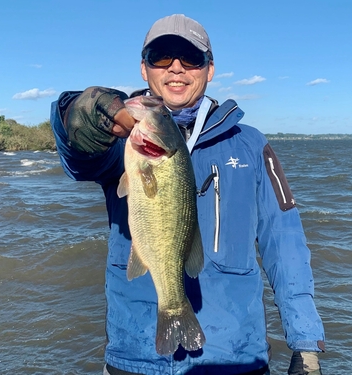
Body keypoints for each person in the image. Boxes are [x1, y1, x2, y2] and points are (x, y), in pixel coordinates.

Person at [51, 14, 325, 375]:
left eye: (191, 58)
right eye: (161, 56)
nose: (176, 68)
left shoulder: (250, 145)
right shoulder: (119, 140)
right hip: (134, 356)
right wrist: (78, 112)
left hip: (235, 357)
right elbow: (77, 150)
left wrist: (305, 344)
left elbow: (285, 244)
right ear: (144, 69)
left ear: (209, 70)